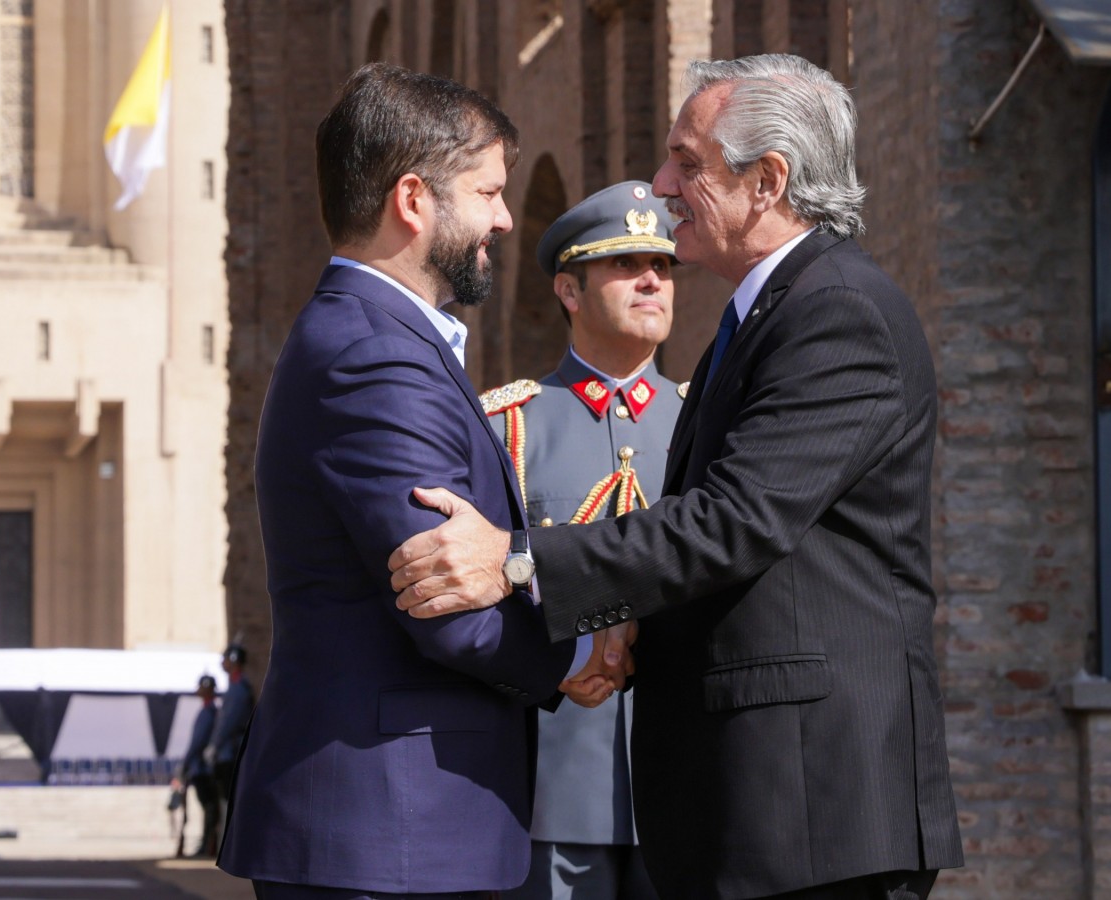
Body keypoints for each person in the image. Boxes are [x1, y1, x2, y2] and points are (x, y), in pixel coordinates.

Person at [390, 54, 963, 899]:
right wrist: (628, 624)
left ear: (768, 181)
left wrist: (517, 561)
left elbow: (735, 523)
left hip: (815, 808)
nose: (661, 184)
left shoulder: (836, 313)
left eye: (688, 164)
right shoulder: (769, 313)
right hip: (758, 804)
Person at [217, 62, 623, 899]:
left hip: (393, 825)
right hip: (389, 825)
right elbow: (442, 597)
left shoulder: (377, 338)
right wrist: (582, 652)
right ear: (413, 200)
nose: (505, 218)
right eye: (486, 192)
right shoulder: (376, 353)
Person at [485, 182, 677, 900]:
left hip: (688, 784)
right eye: (625, 264)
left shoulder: (703, 425)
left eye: (661, 264)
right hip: (551, 786)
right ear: (569, 289)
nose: (653, 279)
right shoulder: (510, 426)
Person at [172, 674, 220, 858]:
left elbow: (198, 742)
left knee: (208, 807)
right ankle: (206, 843)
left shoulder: (208, 712)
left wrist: (186, 764)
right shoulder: (208, 711)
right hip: (201, 767)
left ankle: (207, 845)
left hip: (202, 768)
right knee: (207, 807)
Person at [210, 642, 253, 805]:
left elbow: (229, 722)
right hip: (227, 751)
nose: (223, 662)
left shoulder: (238, 689)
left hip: (231, 751)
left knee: (229, 801)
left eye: (226, 658)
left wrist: (215, 744)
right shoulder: (234, 687)